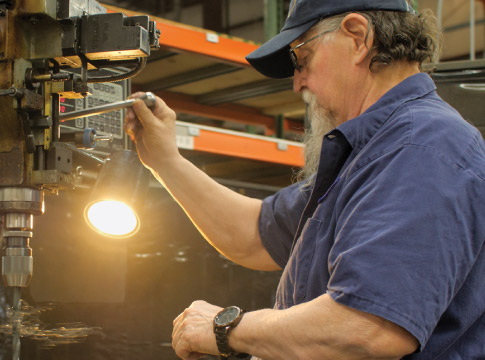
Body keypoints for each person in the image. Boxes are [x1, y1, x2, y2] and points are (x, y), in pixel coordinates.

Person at [124, 0, 485, 359]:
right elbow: (252, 235)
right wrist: (165, 161)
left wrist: (224, 328)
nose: (298, 83)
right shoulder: (369, 154)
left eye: (302, 59)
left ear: (357, 38)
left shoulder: (421, 145)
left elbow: (368, 329)